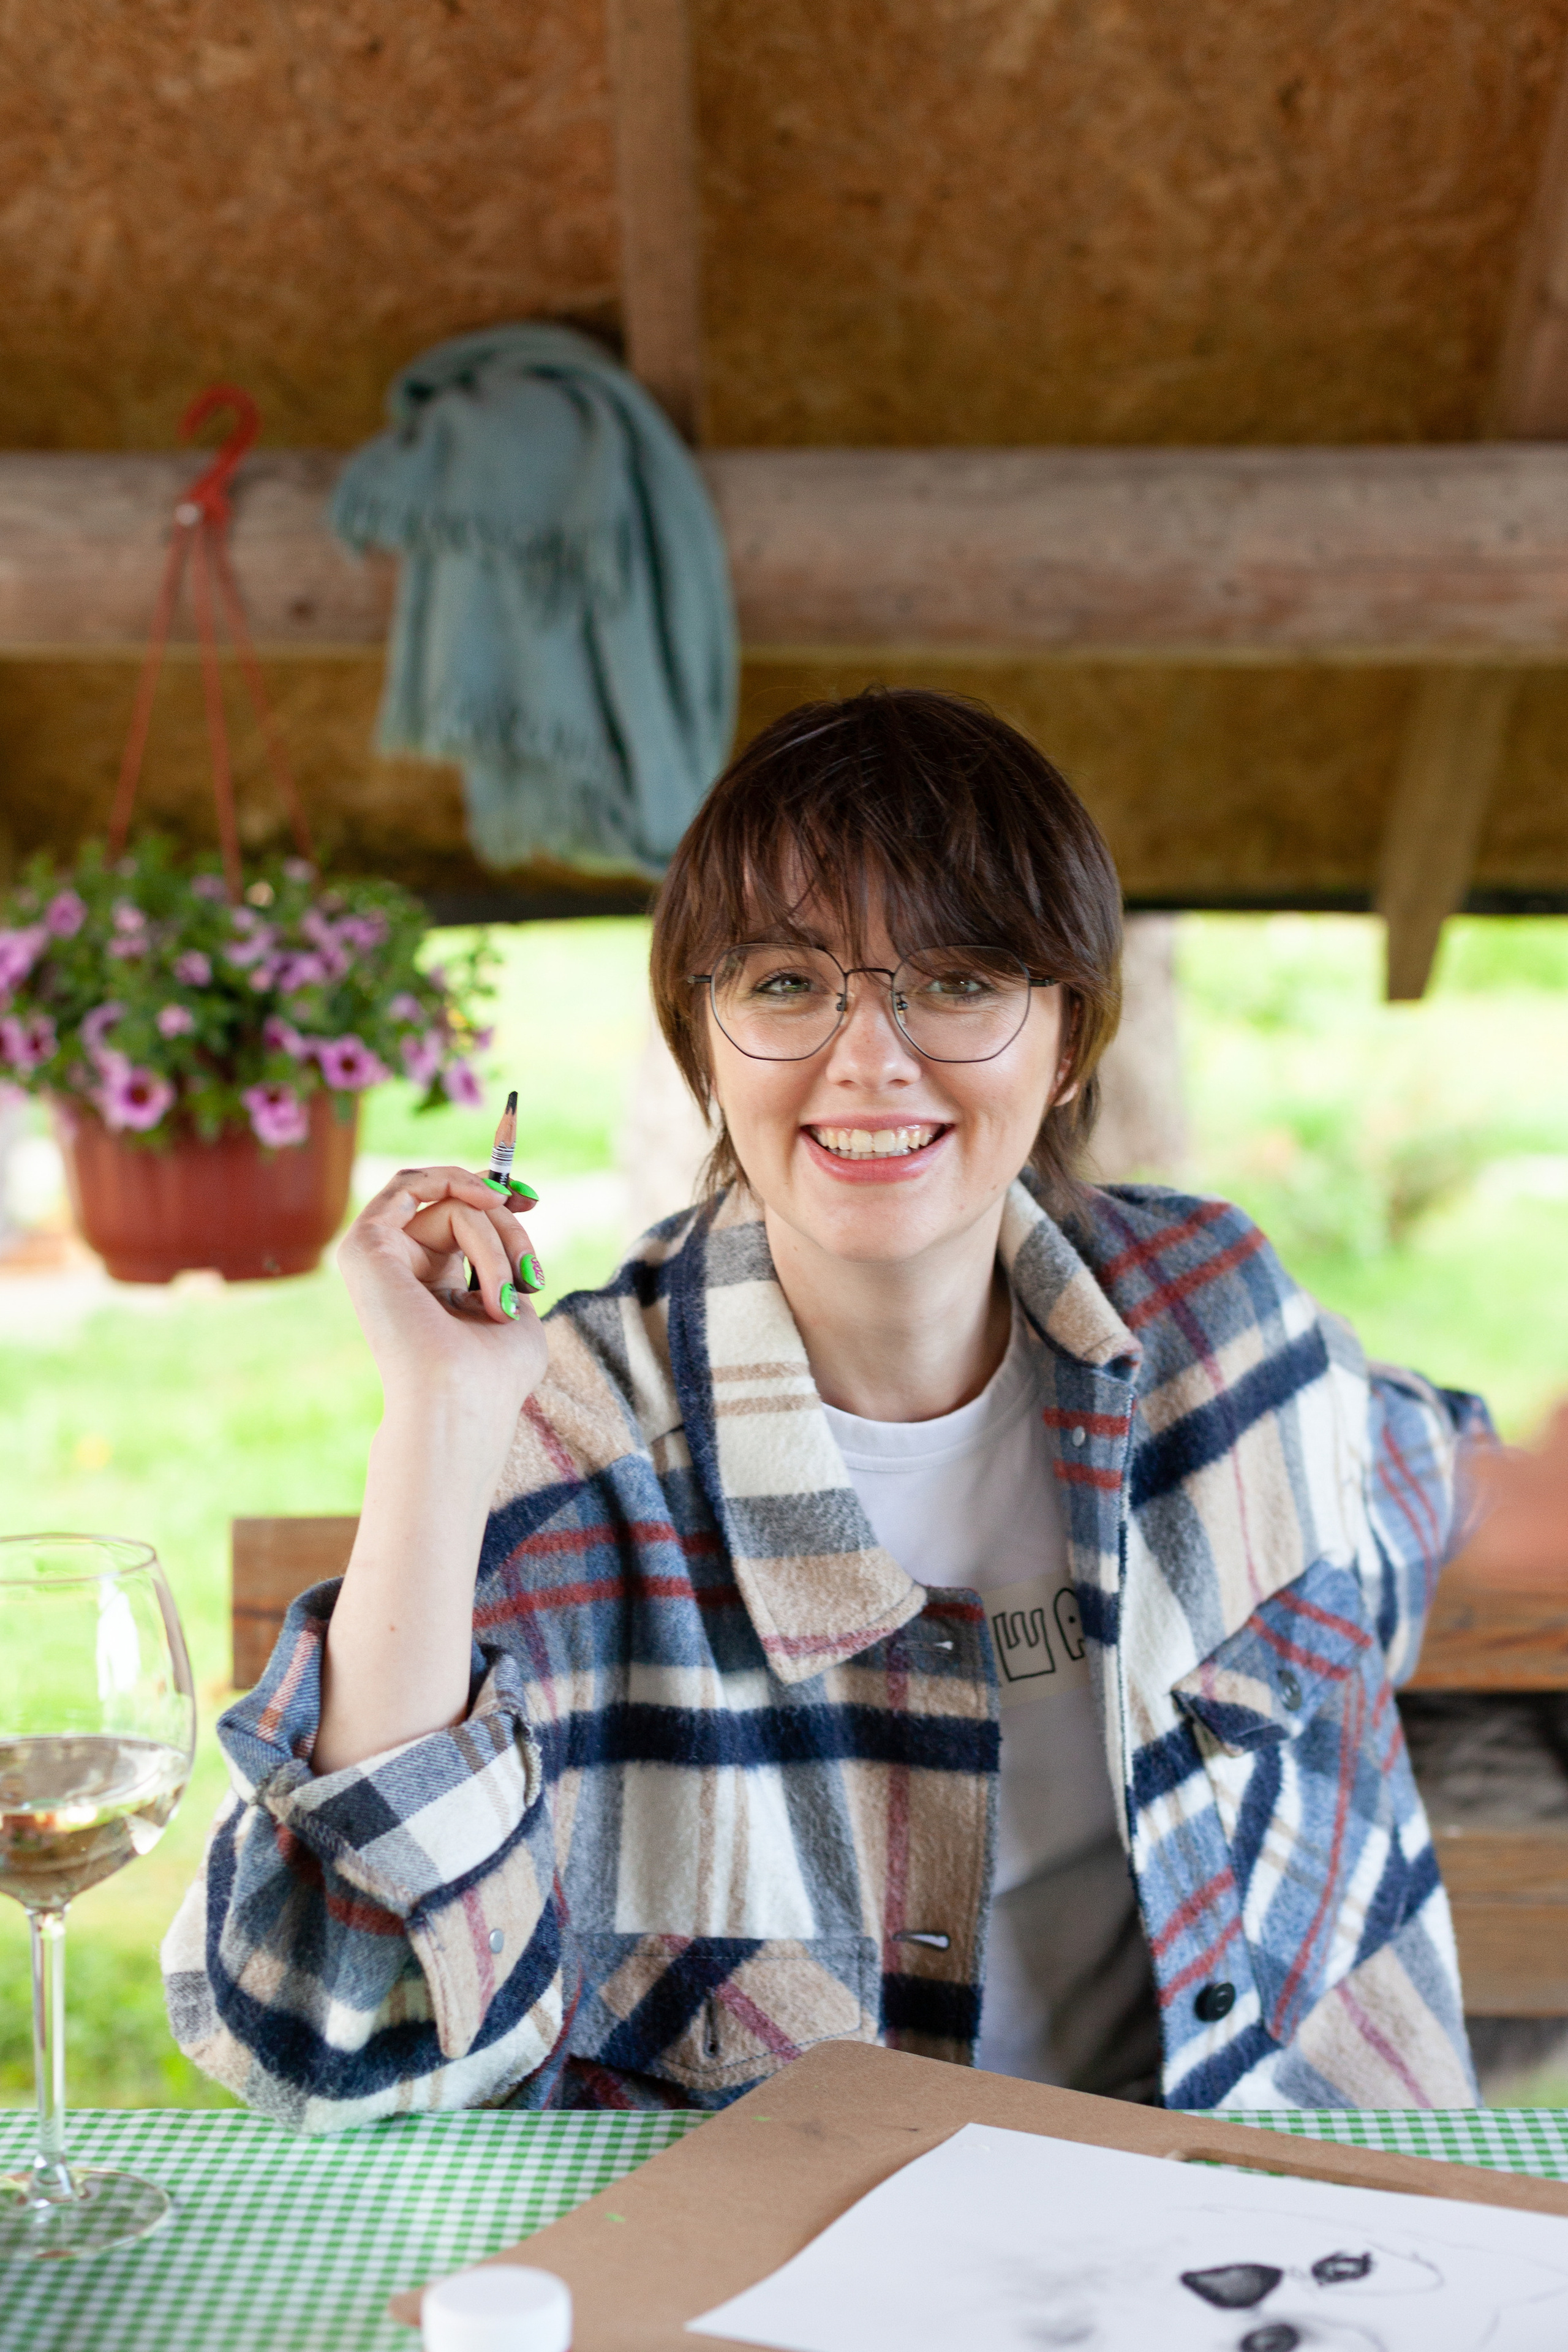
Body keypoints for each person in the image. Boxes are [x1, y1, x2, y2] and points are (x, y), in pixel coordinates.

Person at [164, 687, 1488, 2132]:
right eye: (787, 984)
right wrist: (434, 1422)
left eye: (960, 980)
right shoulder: (567, 1449)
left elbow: (1421, 1473)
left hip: (1254, 2242)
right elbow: (315, 2028)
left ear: (1068, 1042)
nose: (869, 1059)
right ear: (708, 1048)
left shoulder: (1215, 1325)